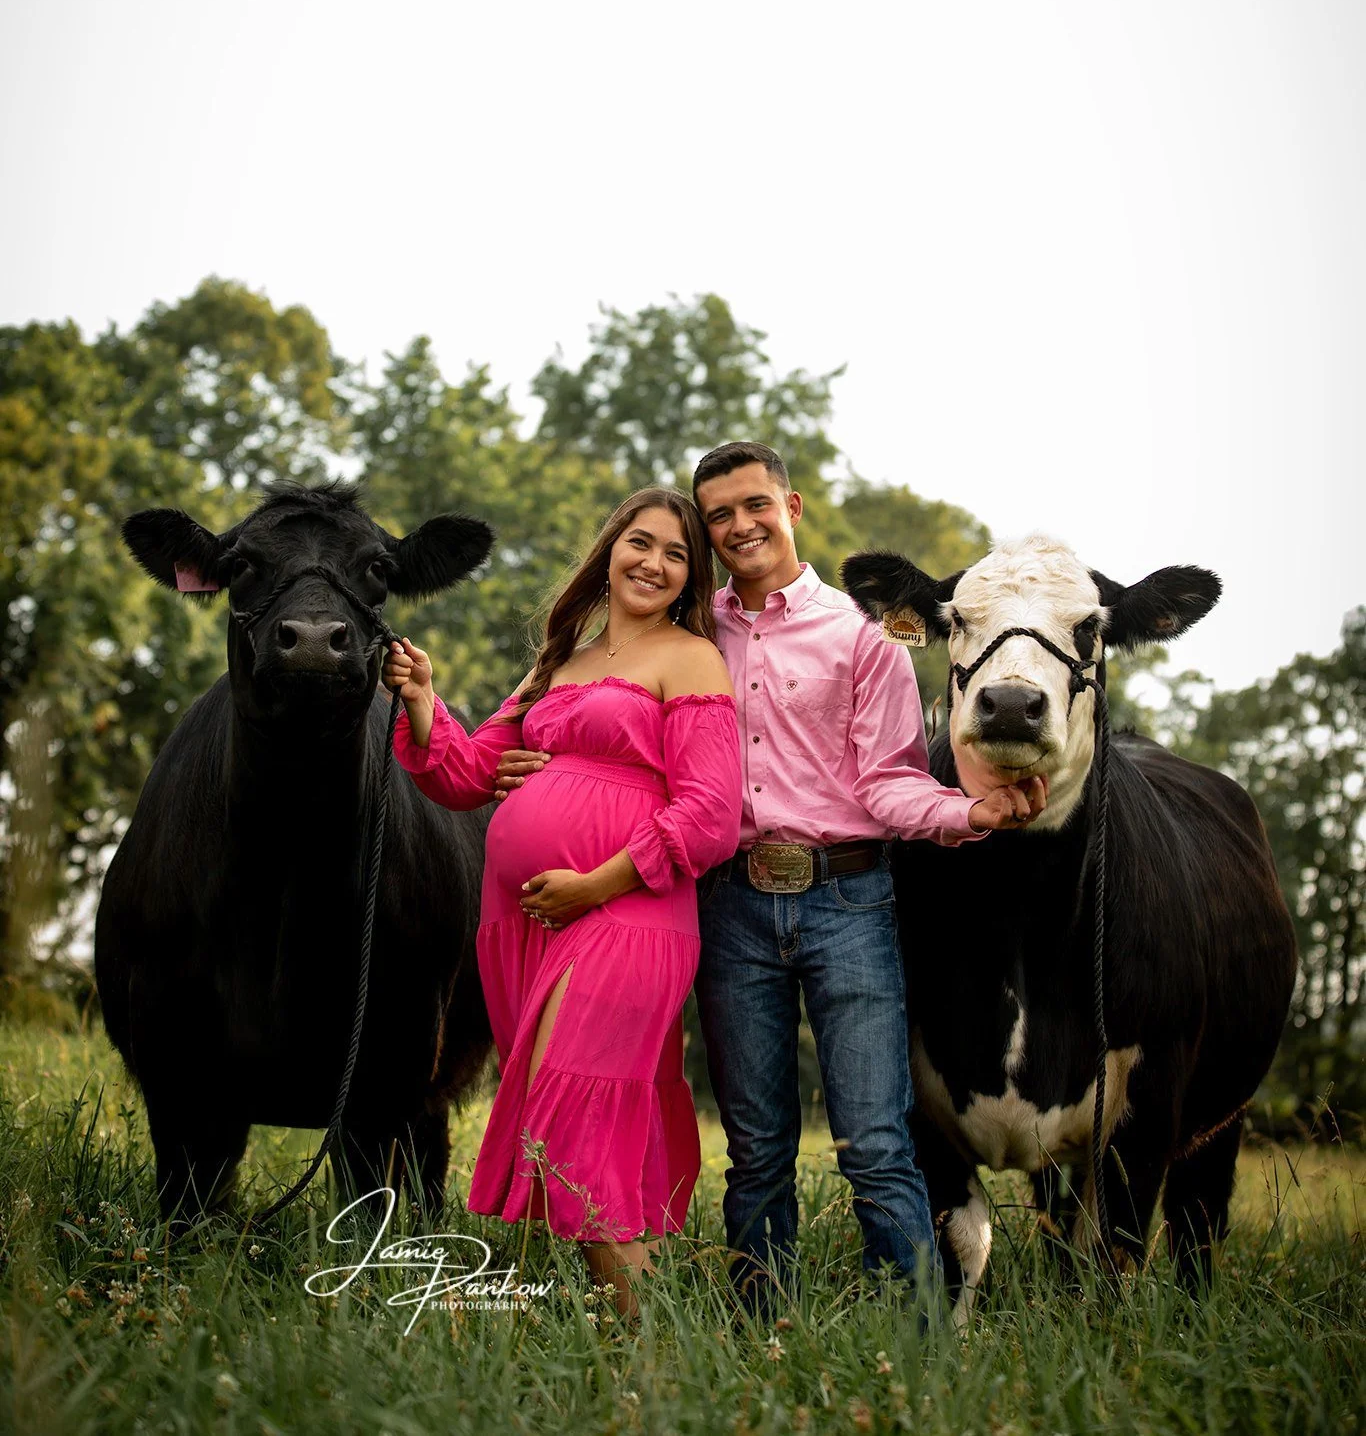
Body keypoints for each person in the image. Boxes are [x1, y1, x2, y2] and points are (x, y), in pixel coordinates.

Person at [496, 442, 1046, 1317]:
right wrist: (546, 761)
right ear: (708, 531)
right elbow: (623, 712)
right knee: (754, 1143)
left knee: (873, 1137)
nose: (740, 524)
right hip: (729, 900)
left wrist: (966, 813)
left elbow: (890, 781)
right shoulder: (690, 628)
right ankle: (762, 1319)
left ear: (791, 506)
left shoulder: (860, 633)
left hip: (847, 898)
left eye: (755, 504)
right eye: (719, 514)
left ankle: (913, 1331)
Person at [382, 486, 741, 1318]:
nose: (653, 562)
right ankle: (637, 1344)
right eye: (640, 542)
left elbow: (712, 811)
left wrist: (597, 880)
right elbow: (468, 775)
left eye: (677, 553)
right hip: (531, 930)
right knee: (570, 1136)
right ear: (610, 549)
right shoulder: (561, 662)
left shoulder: (690, 658)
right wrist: (423, 698)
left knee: (571, 1121)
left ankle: (649, 1345)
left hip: (628, 911)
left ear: (690, 578)